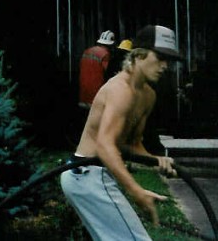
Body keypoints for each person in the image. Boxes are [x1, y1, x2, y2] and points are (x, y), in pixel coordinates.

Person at [61, 25, 181, 240]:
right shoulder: (120, 90)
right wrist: (136, 191)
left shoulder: (148, 95)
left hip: (97, 175)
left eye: (169, 60)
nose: (165, 66)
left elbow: (132, 144)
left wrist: (156, 160)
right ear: (139, 54)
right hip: (87, 174)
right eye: (160, 57)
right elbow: (104, 146)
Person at [78, 30, 116, 108]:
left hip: (83, 96)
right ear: (110, 44)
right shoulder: (105, 54)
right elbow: (108, 73)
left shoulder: (87, 51)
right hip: (96, 97)